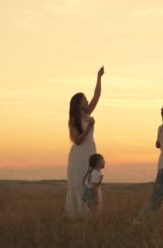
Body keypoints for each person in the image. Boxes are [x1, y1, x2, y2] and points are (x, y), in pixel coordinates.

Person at [65, 66, 104, 218]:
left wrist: (99, 77)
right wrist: (90, 127)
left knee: (91, 180)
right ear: (79, 104)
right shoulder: (73, 121)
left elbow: (97, 95)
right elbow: (78, 141)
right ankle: (77, 214)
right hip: (79, 154)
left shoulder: (88, 113)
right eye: (84, 100)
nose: (87, 101)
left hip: (90, 152)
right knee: (79, 183)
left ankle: (90, 214)